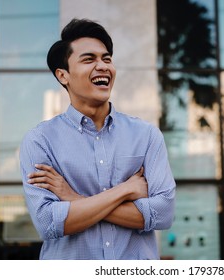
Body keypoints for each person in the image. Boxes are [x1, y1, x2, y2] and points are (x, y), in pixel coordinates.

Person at [19, 18, 176, 260]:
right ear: (63, 76)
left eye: (107, 58)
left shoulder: (146, 135)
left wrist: (73, 199)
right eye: (89, 59)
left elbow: (163, 214)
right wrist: (126, 190)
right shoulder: (40, 140)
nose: (102, 66)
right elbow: (49, 223)